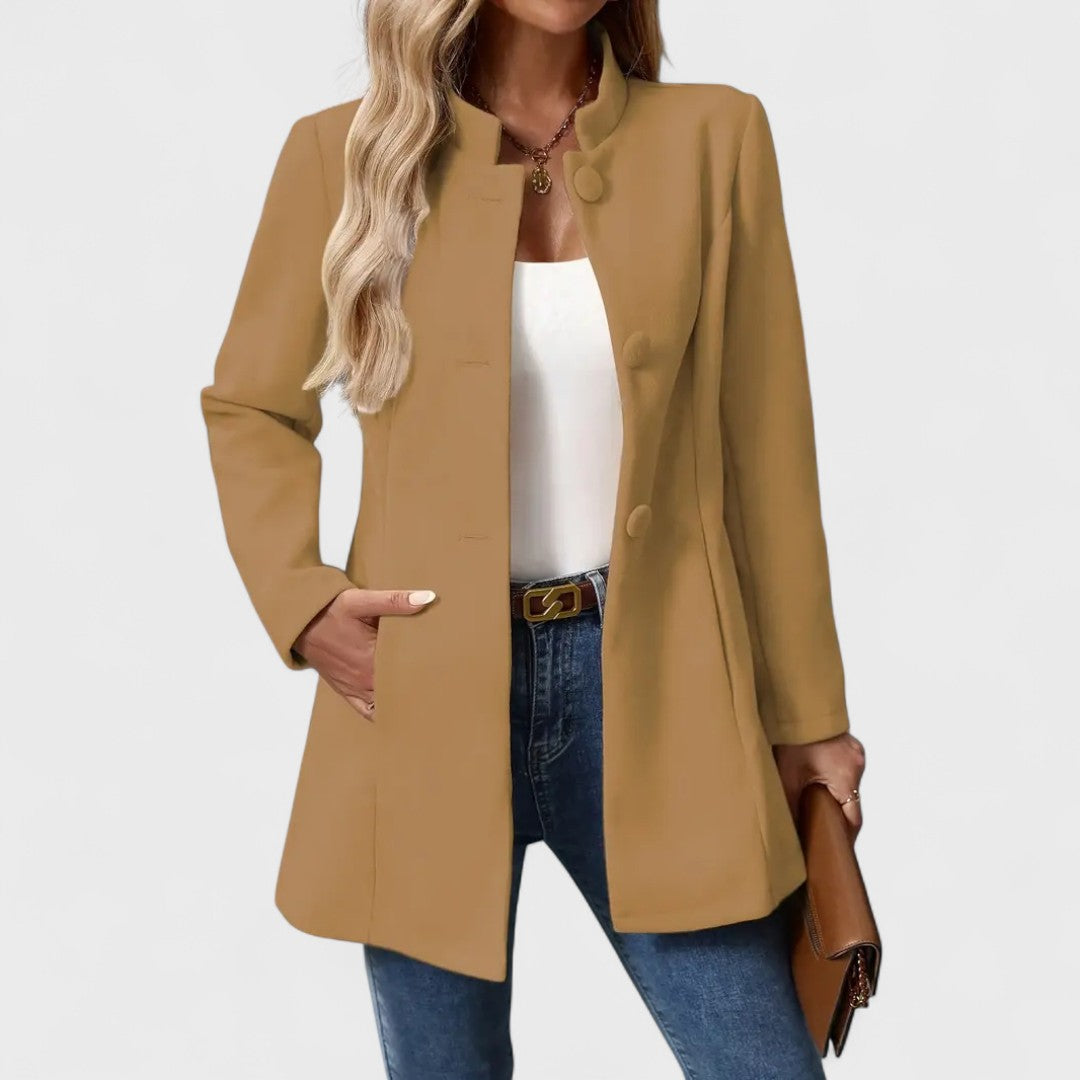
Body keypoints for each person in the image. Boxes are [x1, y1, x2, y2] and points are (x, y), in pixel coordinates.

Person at [200, 2, 867, 1076]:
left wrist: (810, 717)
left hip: (661, 693)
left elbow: (768, 451)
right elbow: (251, 408)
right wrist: (303, 601)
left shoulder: (716, 138)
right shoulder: (344, 154)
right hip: (423, 690)